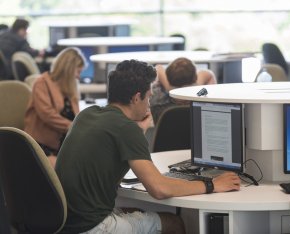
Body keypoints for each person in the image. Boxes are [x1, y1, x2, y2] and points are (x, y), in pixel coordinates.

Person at [55, 59, 241, 234]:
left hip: (65, 221)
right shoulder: (126, 129)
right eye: (149, 97)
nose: (149, 103)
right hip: (92, 227)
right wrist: (212, 184)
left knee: (139, 210)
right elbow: (159, 189)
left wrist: (138, 131)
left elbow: (110, 155)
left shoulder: (88, 114)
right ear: (137, 98)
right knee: (174, 223)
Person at [24, 47, 86, 168]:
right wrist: (71, 127)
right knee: (71, 170)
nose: (79, 77)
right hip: (43, 145)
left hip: (65, 143)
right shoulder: (42, 83)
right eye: (78, 72)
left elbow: (76, 116)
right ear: (68, 69)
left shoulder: (70, 85)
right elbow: (47, 115)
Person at [150, 57, 217, 124]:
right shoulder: (201, 101)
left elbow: (158, 68)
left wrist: (168, 88)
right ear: (195, 79)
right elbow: (208, 74)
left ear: (168, 79)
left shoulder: (156, 99)